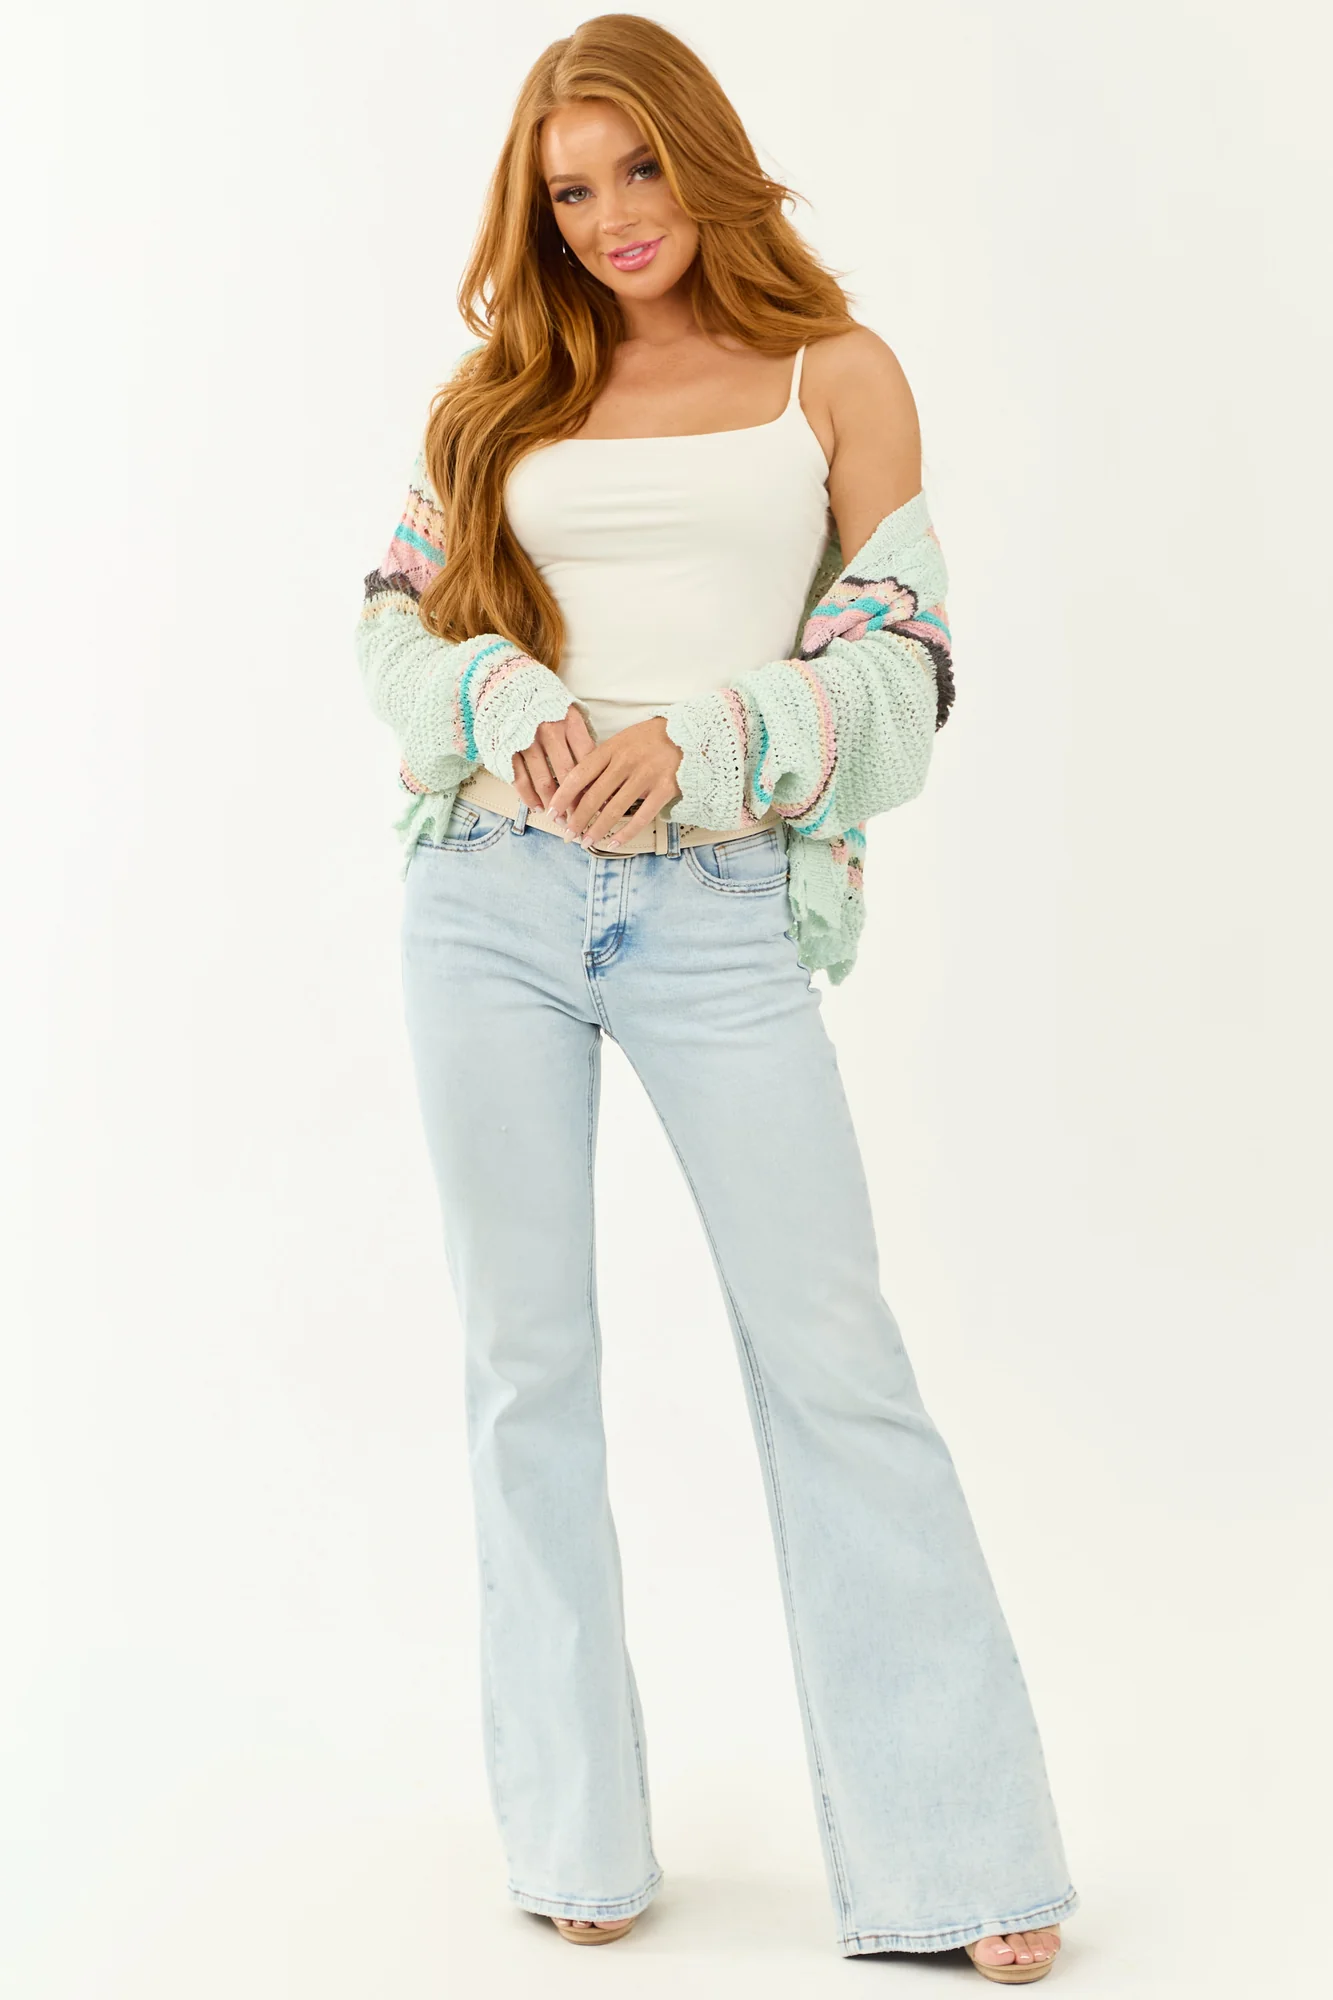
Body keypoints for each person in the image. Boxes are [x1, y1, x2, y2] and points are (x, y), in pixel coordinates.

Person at [355, 14, 1078, 1981]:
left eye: (638, 169)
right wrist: (494, 694)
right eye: (570, 191)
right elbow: (394, 631)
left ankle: (961, 1852)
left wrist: (711, 739)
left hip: (721, 906)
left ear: (704, 155)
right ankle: (574, 1834)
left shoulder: (837, 377)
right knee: (525, 1363)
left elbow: (905, 671)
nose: (612, 218)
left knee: (831, 1348)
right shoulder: (493, 403)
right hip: (487, 900)